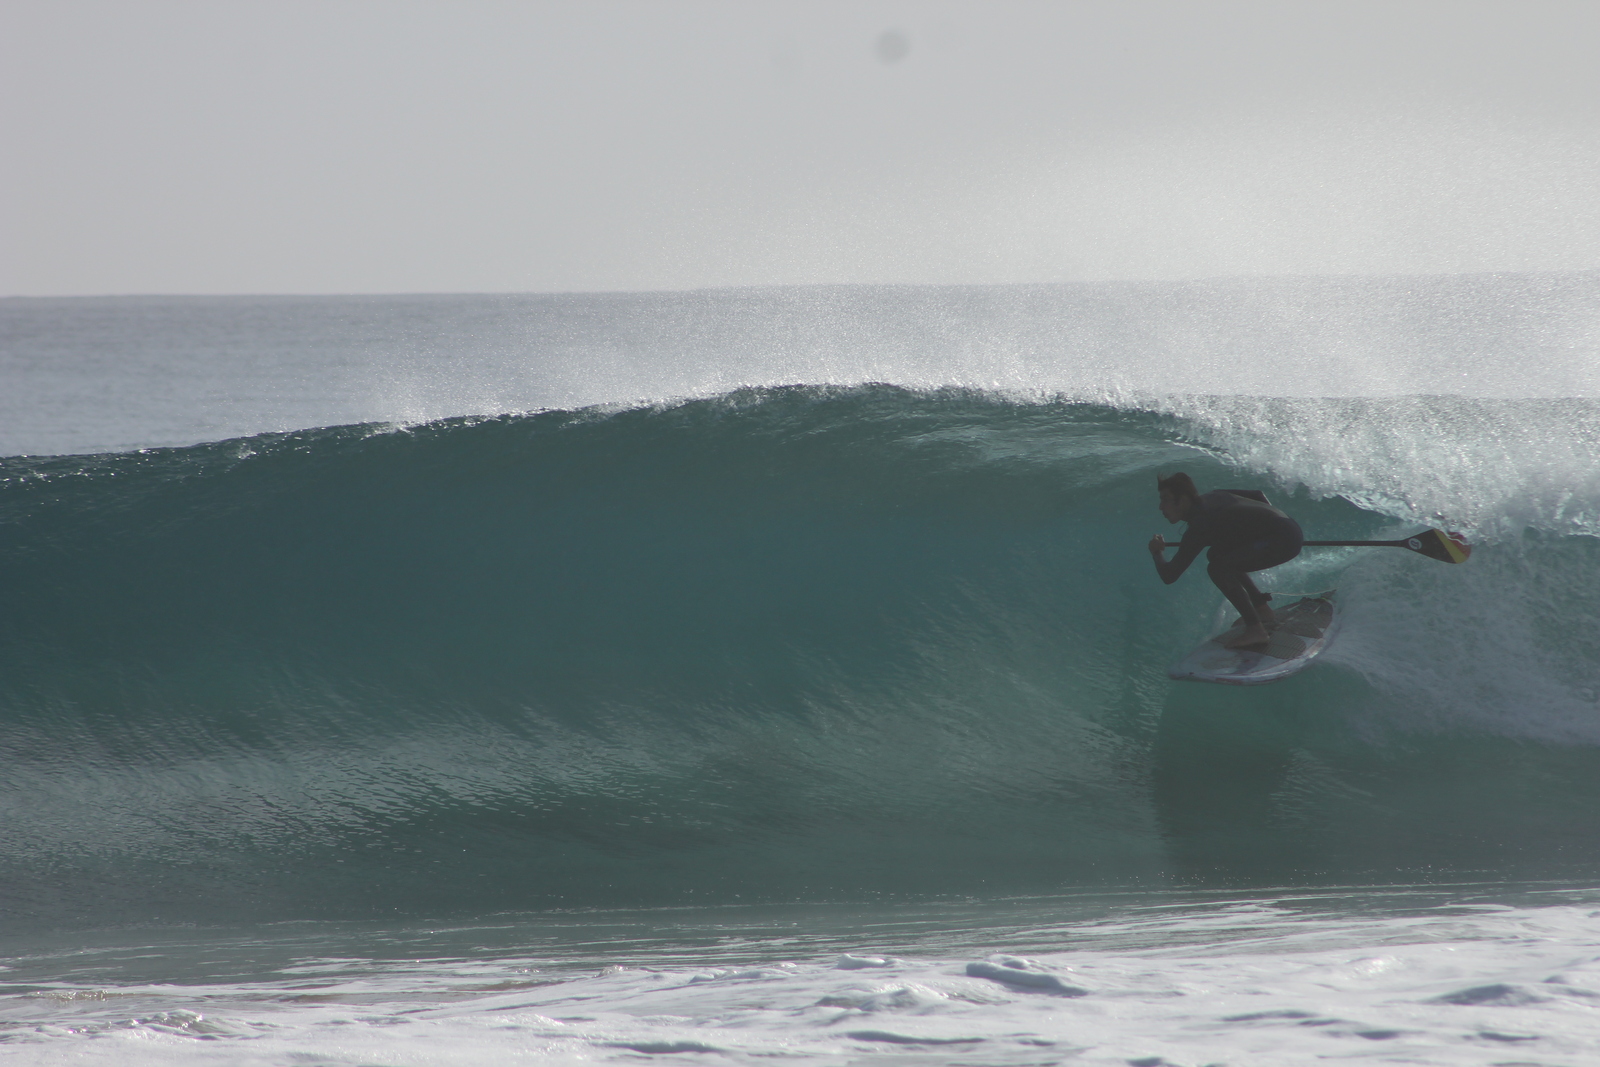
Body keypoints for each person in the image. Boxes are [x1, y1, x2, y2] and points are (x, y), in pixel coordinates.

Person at [1148, 472, 1303, 649]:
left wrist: (1156, 552)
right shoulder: (1214, 495)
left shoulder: (1200, 525)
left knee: (1218, 569)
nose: (1161, 507)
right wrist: (1260, 526)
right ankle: (1261, 609)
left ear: (1182, 499)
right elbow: (1257, 495)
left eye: (1165, 499)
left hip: (1282, 540)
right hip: (1288, 528)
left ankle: (1256, 630)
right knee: (1217, 555)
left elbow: (1169, 575)